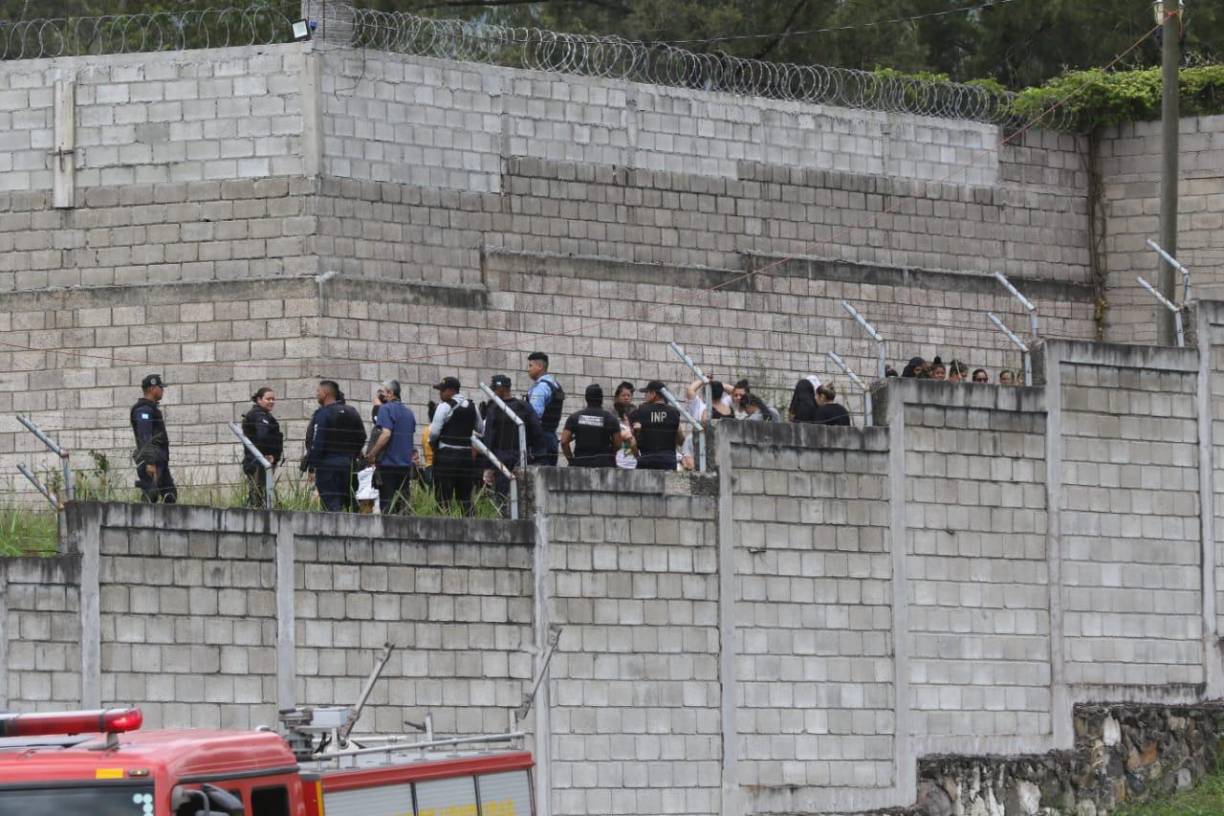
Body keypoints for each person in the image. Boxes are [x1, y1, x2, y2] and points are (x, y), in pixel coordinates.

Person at [302, 380, 366, 512]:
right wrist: (352, 454)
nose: (316, 394)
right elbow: (362, 436)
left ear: (325, 393)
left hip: (328, 466)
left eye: (318, 391)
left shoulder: (323, 414)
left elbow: (317, 442)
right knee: (351, 505)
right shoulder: (352, 411)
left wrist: (312, 466)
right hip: (349, 465)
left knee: (331, 507)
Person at [482, 374, 543, 503]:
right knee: (522, 494)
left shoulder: (493, 407)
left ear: (502, 389)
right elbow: (537, 431)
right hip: (521, 456)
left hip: (499, 456)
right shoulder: (524, 406)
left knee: (502, 496)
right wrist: (531, 452)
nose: (492, 392)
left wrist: (488, 466)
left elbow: (489, 437)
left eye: (495, 389)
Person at [430, 376, 483, 513]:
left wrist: (432, 443)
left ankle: (442, 525)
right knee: (465, 497)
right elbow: (480, 429)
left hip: (447, 456)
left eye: (442, 390)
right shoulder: (473, 406)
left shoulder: (444, 406)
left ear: (451, 391)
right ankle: (470, 525)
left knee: (443, 496)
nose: (440, 394)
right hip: (466, 456)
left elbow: (434, 433)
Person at [365, 379, 417, 514]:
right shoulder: (409, 412)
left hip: (388, 464)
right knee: (403, 506)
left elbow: (386, 434)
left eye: (383, 392)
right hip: (405, 465)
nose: (382, 395)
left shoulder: (385, 409)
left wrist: (372, 454)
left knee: (387, 506)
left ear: (391, 393)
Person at [130, 373, 177, 503]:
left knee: (169, 495)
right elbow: (145, 436)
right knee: (151, 496)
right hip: (151, 462)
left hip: (159, 460)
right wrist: (150, 463)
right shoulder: (143, 410)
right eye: (160, 387)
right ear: (152, 389)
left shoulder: (151, 408)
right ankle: (141, 520)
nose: (162, 390)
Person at [561, 384, 624, 468]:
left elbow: (564, 442)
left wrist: (571, 460)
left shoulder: (574, 417)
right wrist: (610, 458)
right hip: (603, 465)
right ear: (601, 398)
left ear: (586, 398)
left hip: (580, 463)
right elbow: (618, 444)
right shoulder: (611, 419)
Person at [240, 387, 283, 508]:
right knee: (258, 497)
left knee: (262, 495)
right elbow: (262, 436)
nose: (271, 401)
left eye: (273, 399)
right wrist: (268, 455)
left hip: (262, 462)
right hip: (258, 463)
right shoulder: (258, 415)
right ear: (259, 400)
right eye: (268, 399)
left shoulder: (264, 415)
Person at [629, 381, 683, 470]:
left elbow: (631, 441)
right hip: (668, 462)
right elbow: (680, 440)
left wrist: (637, 456)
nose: (645, 396)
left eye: (647, 393)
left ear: (654, 394)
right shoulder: (674, 412)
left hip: (647, 460)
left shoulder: (641, 411)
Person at [526, 352, 565, 466]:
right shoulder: (555, 385)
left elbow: (534, 415)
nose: (528, 369)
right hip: (551, 438)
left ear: (540, 366)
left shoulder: (541, 387)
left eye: (530, 366)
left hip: (540, 440)